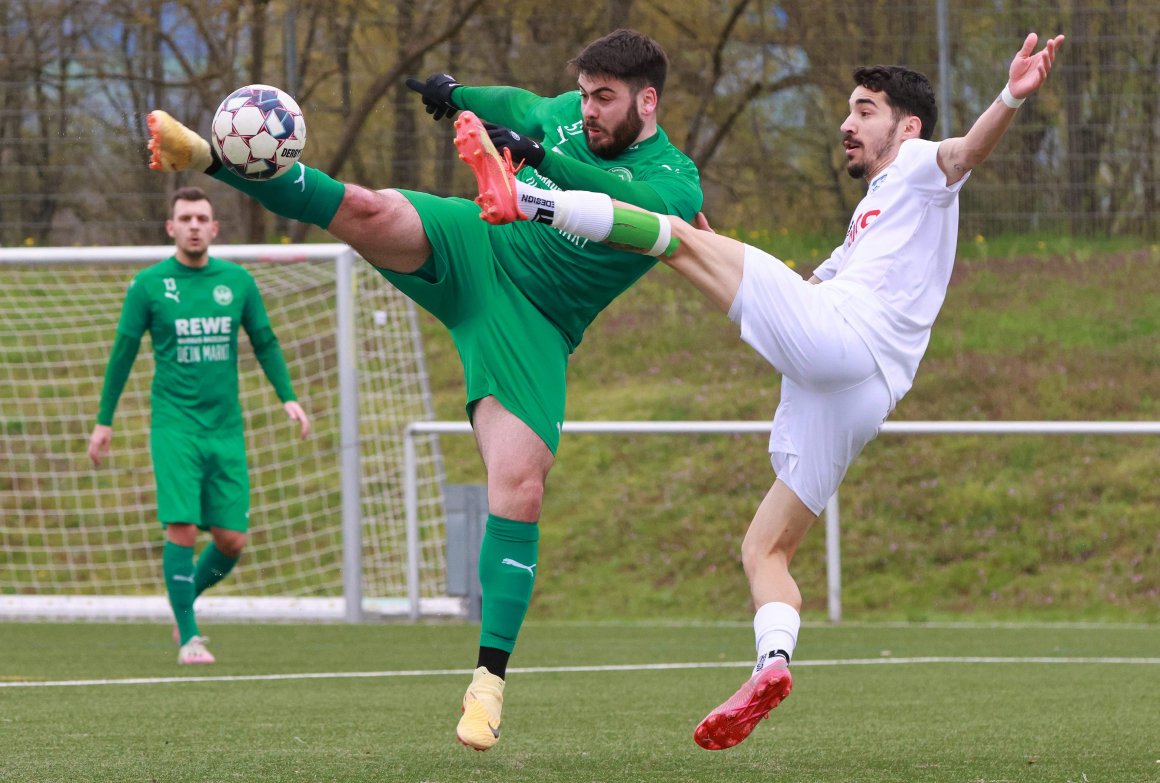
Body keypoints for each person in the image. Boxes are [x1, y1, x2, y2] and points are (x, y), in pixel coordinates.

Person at [460, 32, 1065, 749]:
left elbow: (963, 154)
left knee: (672, 237)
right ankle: (772, 662)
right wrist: (720, 252)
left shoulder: (919, 170)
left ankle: (526, 199)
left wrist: (1009, 97)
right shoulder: (875, 217)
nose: (848, 122)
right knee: (764, 549)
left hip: (844, 340)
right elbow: (803, 292)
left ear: (907, 127)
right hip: (861, 388)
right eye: (848, 109)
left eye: (865, 110)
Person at [145, 29, 702, 749]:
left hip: (534, 324)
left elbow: (619, 199)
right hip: (479, 240)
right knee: (371, 210)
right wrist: (453, 95)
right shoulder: (565, 112)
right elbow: (518, 103)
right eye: (586, 94)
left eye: (605, 99)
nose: (589, 110)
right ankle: (209, 158)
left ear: (647, 100)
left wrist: (541, 160)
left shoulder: (676, 178)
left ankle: (486, 686)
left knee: (519, 487)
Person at [88, 186, 311, 666]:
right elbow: (122, 354)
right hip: (174, 426)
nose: (193, 225)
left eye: (201, 218)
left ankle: (183, 605)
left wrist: (288, 397)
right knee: (183, 529)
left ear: (214, 228)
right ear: (171, 228)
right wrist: (103, 422)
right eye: (184, 217)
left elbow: (266, 342)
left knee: (231, 542)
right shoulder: (149, 285)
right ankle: (189, 636)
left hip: (226, 428)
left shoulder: (237, 282)